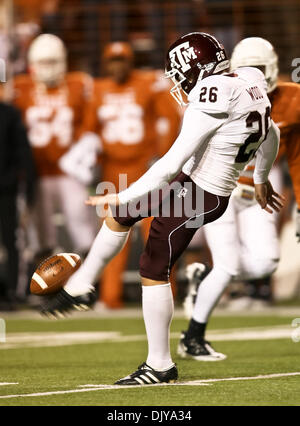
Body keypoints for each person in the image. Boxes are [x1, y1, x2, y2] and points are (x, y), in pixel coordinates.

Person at [41, 32, 282, 385]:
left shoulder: (210, 92)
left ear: (192, 68)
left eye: (178, 72)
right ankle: (81, 285)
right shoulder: (249, 81)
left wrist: (122, 194)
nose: (177, 81)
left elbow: (169, 164)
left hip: (202, 192)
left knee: (153, 266)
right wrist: (261, 175)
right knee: (121, 217)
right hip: (197, 183)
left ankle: (160, 365)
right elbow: (271, 131)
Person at [180, 37, 300, 361]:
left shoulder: (291, 98)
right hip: (223, 183)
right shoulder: (220, 91)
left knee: (265, 262)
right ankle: (193, 335)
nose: (255, 75)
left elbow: (277, 142)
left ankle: (206, 275)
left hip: (260, 183)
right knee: (228, 265)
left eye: (259, 69)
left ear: (272, 69)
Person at [83, 41, 181, 308]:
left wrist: (163, 157)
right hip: (112, 171)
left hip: (146, 169)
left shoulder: (149, 83)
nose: (118, 66)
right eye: (113, 61)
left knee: (157, 234)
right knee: (112, 234)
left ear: (131, 62)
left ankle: (166, 294)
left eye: (122, 60)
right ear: (105, 64)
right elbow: (89, 132)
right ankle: (109, 297)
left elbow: (170, 119)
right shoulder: (98, 89)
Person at [13, 34, 98, 260]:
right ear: (32, 64)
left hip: (70, 171)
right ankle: (47, 286)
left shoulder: (78, 84)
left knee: (80, 224)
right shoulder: (20, 88)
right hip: (37, 172)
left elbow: (90, 126)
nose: (48, 68)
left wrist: (82, 158)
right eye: (43, 62)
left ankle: (88, 282)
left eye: (52, 62)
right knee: (40, 232)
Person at [0, 101, 35, 309]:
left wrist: (27, 186)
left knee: (12, 240)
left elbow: (23, 151)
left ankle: (13, 291)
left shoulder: (10, 113)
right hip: (7, 184)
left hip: (6, 189)